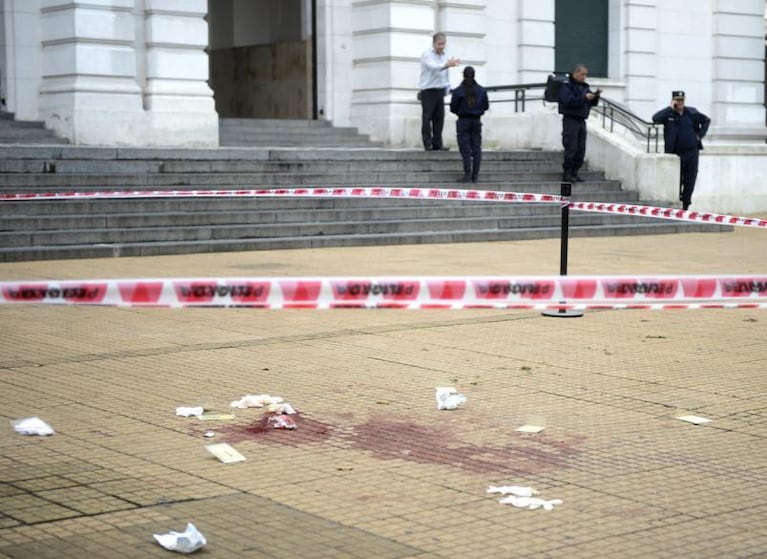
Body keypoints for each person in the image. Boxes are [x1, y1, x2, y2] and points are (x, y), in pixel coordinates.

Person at [652, 91, 711, 210]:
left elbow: (706, 120)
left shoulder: (692, 113)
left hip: (692, 153)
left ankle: (685, 205)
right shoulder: (668, 114)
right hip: (675, 154)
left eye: (682, 100)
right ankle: (676, 204)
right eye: (677, 100)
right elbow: (655, 119)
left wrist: (699, 135)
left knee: (690, 179)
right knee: (676, 179)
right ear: (673, 101)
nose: (680, 103)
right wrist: (669, 108)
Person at [558, 64, 602, 183]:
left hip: (582, 120)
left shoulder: (584, 87)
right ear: (575, 73)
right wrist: (584, 98)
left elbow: (590, 103)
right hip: (570, 119)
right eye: (582, 74)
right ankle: (567, 172)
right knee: (571, 146)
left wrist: (595, 96)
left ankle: (575, 172)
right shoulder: (566, 86)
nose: (584, 77)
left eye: (586, 74)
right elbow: (568, 101)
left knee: (581, 148)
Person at [419, 32, 460, 151]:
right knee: (427, 118)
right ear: (434, 43)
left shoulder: (445, 55)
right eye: (439, 44)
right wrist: (447, 65)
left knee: (439, 117)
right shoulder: (427, 55)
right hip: (428, 90)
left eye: (443, 44)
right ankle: (428, 143)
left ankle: (438, 143)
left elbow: (444, 75)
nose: (441, 46)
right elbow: (434, 67)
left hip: (439, 90)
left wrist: (447, 88)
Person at [450, 66, 489, 182]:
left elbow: (453, 108)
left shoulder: (458, 91)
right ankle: (475, 175)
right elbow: (486, 106)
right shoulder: (482, 91)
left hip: (463, 121)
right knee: (476, 148)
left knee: (465, 148)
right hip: (476, 121)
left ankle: (467, 173)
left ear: (463, 75)